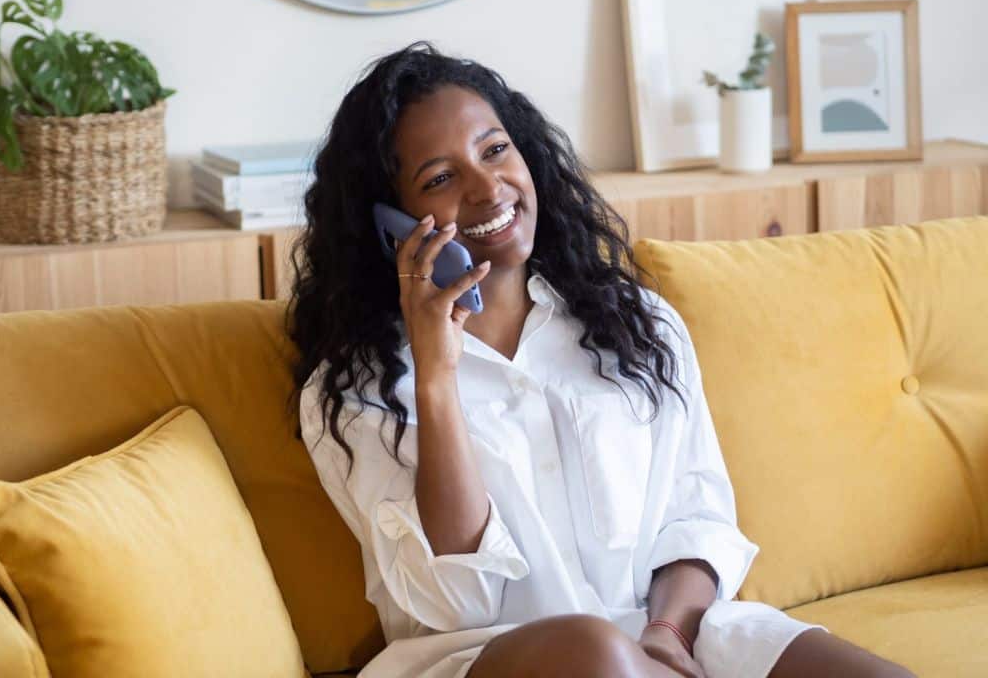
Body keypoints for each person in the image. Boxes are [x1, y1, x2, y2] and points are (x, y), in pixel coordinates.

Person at [287, 42, 915, 678]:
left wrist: (667, 634)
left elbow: (695, 517)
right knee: (597, 654)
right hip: (482, 660)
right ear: (392, 223)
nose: (487, 187)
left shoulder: (635, 324)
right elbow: (455, 602)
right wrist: (437, 376)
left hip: (664, 638)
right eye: (440, 179)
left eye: (495, 149)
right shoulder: (358, 390)